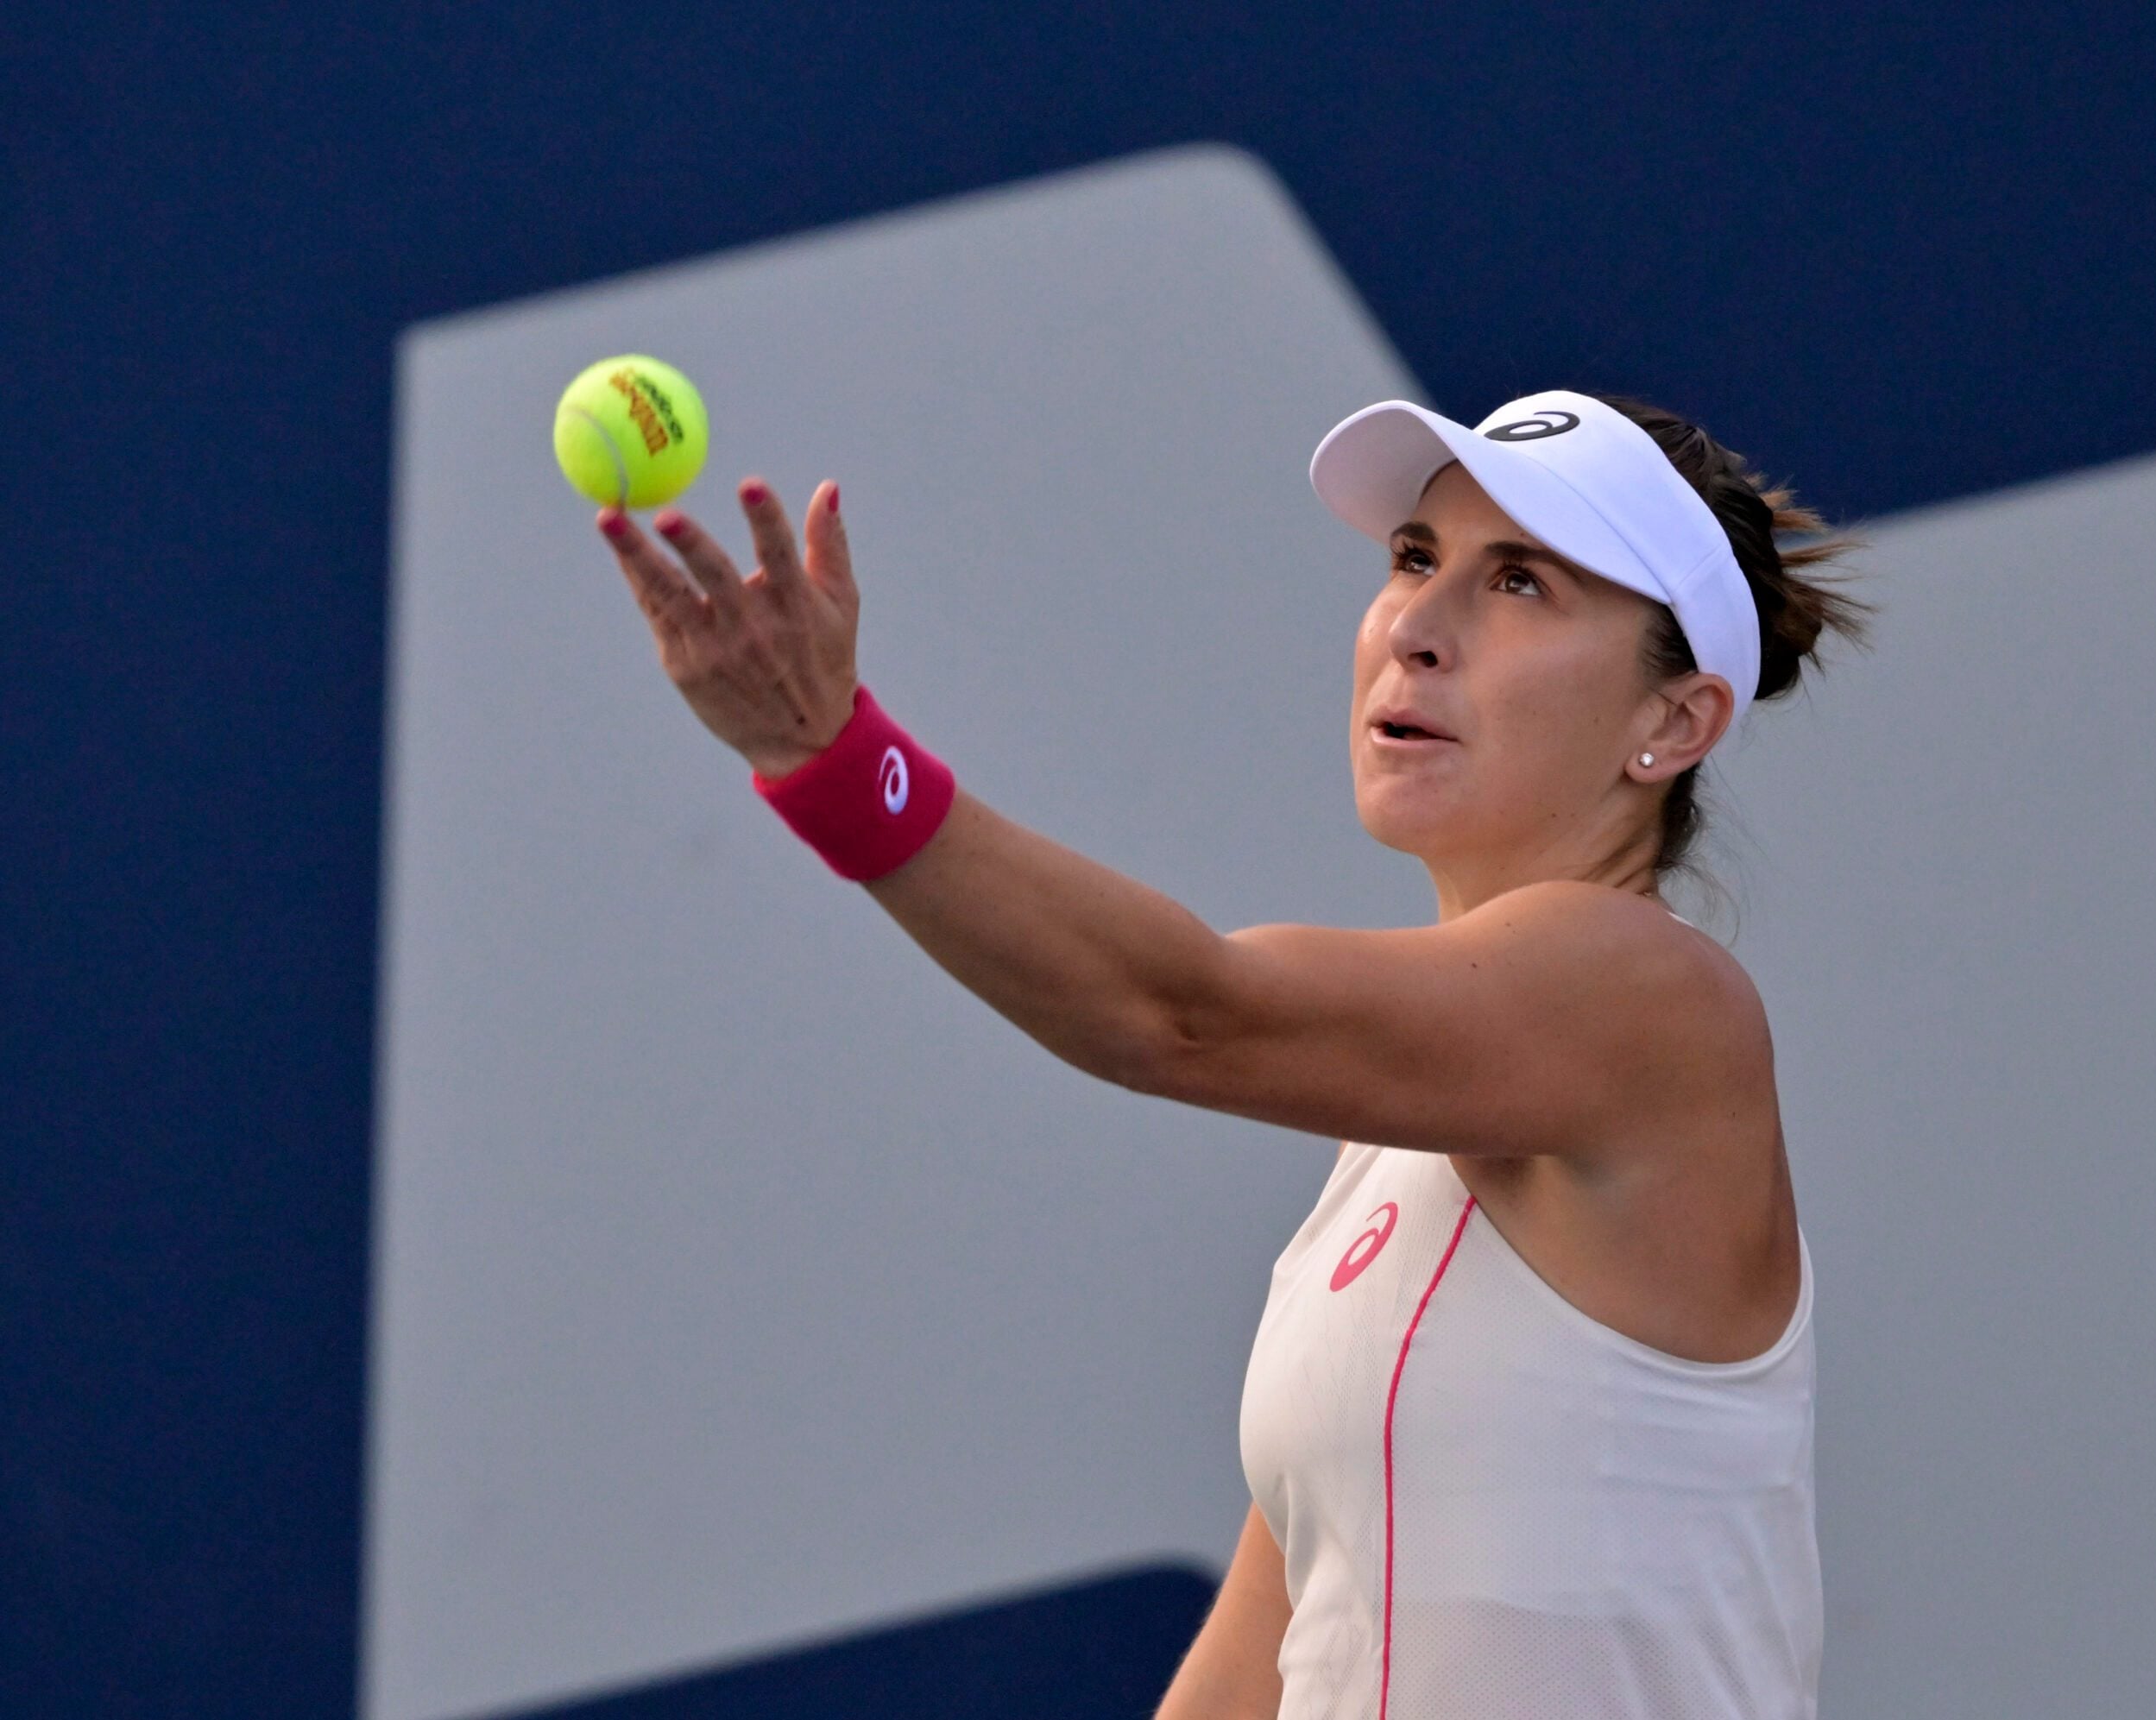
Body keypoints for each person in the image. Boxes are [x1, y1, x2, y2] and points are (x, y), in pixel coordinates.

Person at [594, 386, 1875, 1718]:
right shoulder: (1389, 1143)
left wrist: (836, 760)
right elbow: (1266, 1658)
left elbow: (1183, 1011)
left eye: (1520, 583)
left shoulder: (1652, 999)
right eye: (1414, 559)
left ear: (1675, 723)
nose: (1417, 626)